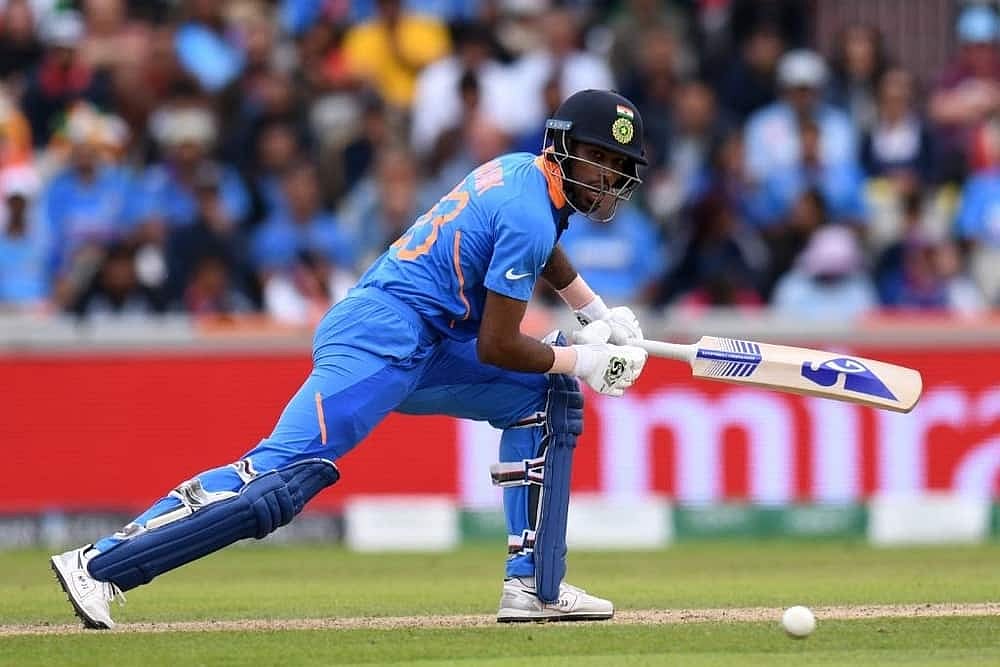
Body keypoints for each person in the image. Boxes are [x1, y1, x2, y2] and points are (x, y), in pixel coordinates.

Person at [50, 89, 651, 628]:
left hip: (430, 342)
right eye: (598, 159)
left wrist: (594, 311)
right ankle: (98, 564)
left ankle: (534, 588)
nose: (608, 176)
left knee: (543, 397)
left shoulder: (522, 174)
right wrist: (581, 361)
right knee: (277, 483)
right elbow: (499, 344)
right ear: (562, 147)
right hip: (380, 337)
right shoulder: (528, 211)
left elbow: (540, 251)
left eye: (618, 165)